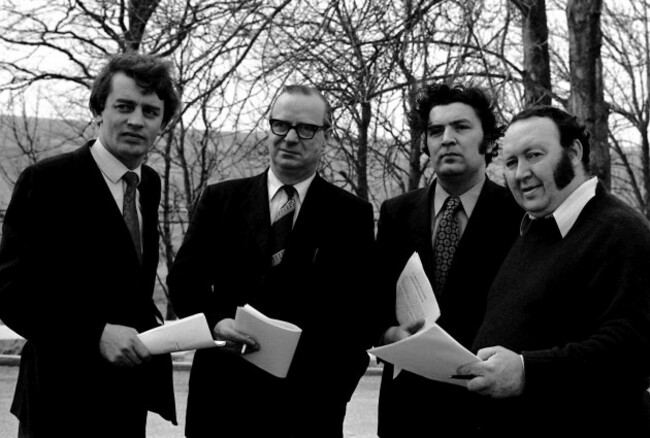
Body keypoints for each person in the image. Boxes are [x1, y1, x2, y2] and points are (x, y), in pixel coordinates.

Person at [167, 85, 376, 437]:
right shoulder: (222, 200)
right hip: (221, 401)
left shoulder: (351, 215)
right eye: (281, 125)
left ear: (326, 137)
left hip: (308, 410)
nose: (291, 138)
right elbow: (184, 281)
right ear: (269, 128)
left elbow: (360, 312)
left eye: (306, 128)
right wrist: (217, 322)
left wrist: (335, 393)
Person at [0, 52, 180, 437]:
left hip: (125, 399)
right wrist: (95, 332)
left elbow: (128, 286)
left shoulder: (147, 184)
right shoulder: (46, 182)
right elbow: (12, 294)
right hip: (58, 402)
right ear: (99, 110)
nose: (136, 120)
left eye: (150, 112)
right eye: (124, 106)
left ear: (162, 125)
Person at [457, 105, 650, 436]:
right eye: (512, 162)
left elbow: (632, 349)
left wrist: (526, 371)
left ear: (573, 153)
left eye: (534, 155)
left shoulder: (620, 231)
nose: (520, 173)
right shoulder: (536, 229)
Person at [375, 83, 522, 436]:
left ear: (487, 141)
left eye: (461, 127)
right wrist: (388, 333)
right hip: (406, 410)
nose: (447, 139)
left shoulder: (518, 216)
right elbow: (373, 298)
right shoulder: (396, 213)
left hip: (484, 411)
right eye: (436, 130)